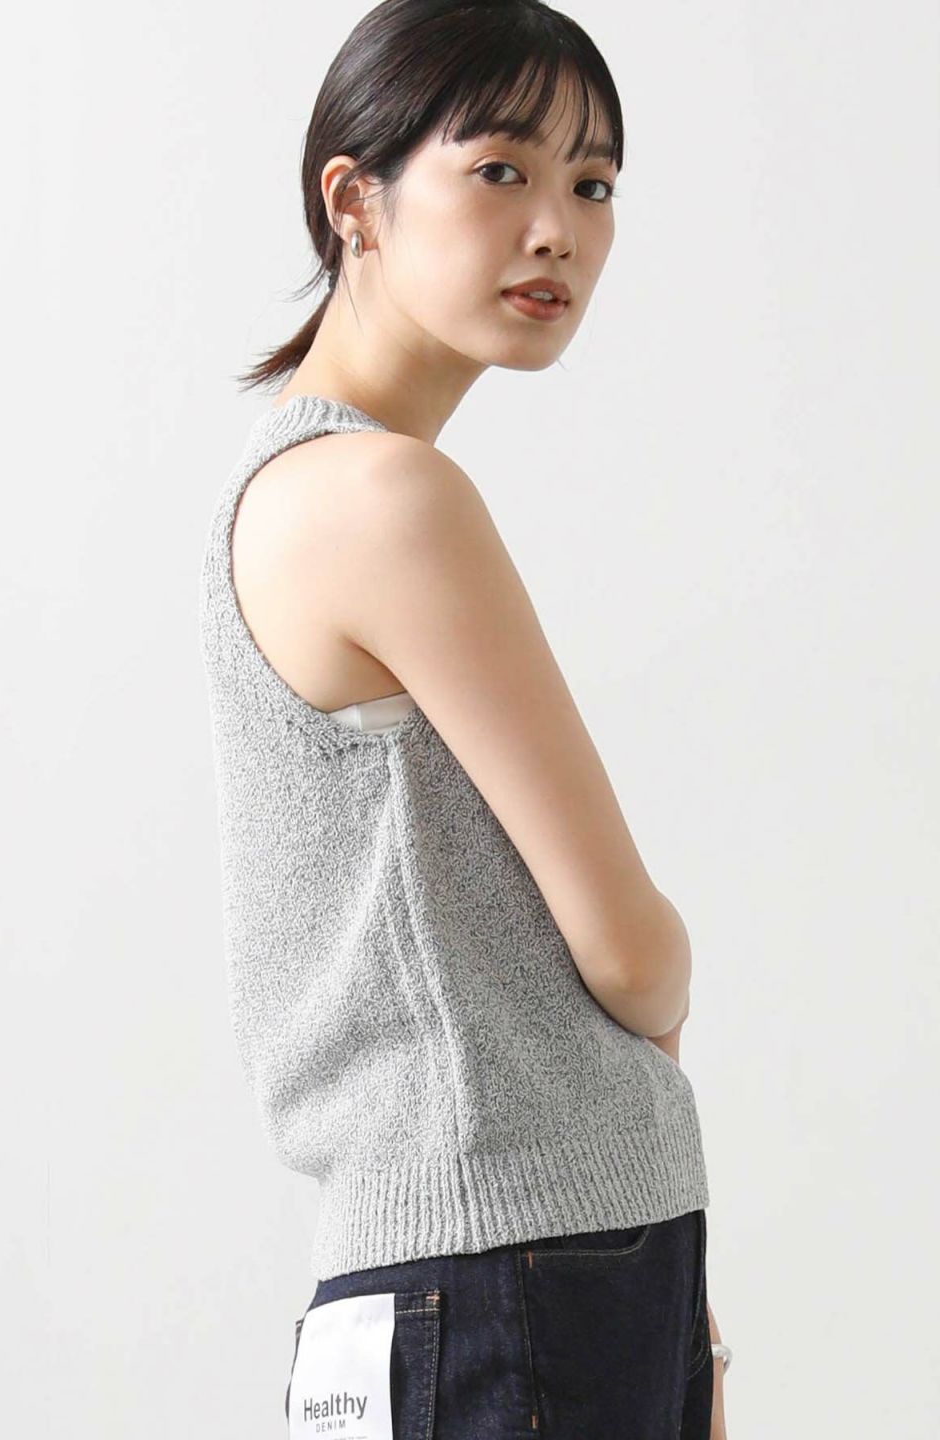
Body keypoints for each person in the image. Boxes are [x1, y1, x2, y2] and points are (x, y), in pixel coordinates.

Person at [199, 1, 731, 1434]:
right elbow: (627, 951)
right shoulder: (385, 495)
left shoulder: (289, 491)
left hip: (443, 1275)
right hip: (521, 1270)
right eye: (501, 170)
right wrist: (667, 966)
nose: (556, 228)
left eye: (593, 183)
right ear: (354, 200)